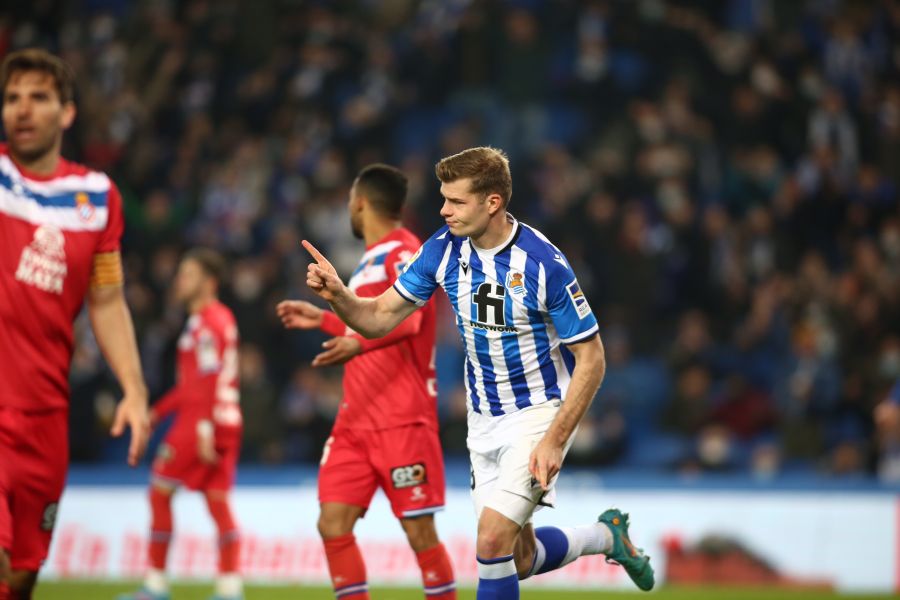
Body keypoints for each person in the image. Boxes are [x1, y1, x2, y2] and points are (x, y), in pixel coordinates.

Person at [302, 147, 655, 599]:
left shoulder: (543, 263)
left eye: (456, 201)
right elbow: (377, 318)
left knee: (490, 541)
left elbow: (592, 359)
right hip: (483, 420)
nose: (443, 210)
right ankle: (608, 538)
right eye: (443, 199)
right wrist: (337, 295)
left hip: (536, 415)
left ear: (493, 203)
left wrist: (553, 439)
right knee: (517, 558)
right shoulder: (443, 248)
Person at [0, 48, 150, 600]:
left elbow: (106, 302)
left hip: (44, 416)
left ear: (67, 113)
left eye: (38, 97)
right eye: (12, 98)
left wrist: (133, 388)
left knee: (22, 572)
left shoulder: (96, 198)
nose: (22, 109)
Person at [277, 164, 456, 600]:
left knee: (419, 532)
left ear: (359, 203)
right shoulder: (367, 262)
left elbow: (408, 324)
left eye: (349, 204)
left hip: (400, 417)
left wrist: (356, 346)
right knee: (332, 523)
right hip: (355, 421)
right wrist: (322, 318)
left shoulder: (403, 252)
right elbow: (368, 325)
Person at [119, 249, 243, 600]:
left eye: (188, 275)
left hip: (201, 422)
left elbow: (205, 381)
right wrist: (156, 412)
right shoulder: (217, 319)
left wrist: (203, 428)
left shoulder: (206, 323)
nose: (179, 281)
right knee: (218, 502)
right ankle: (230, 590)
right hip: (227, 421)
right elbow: (192, 385)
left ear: (209, 283)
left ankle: (156, 586)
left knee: (159, 493)